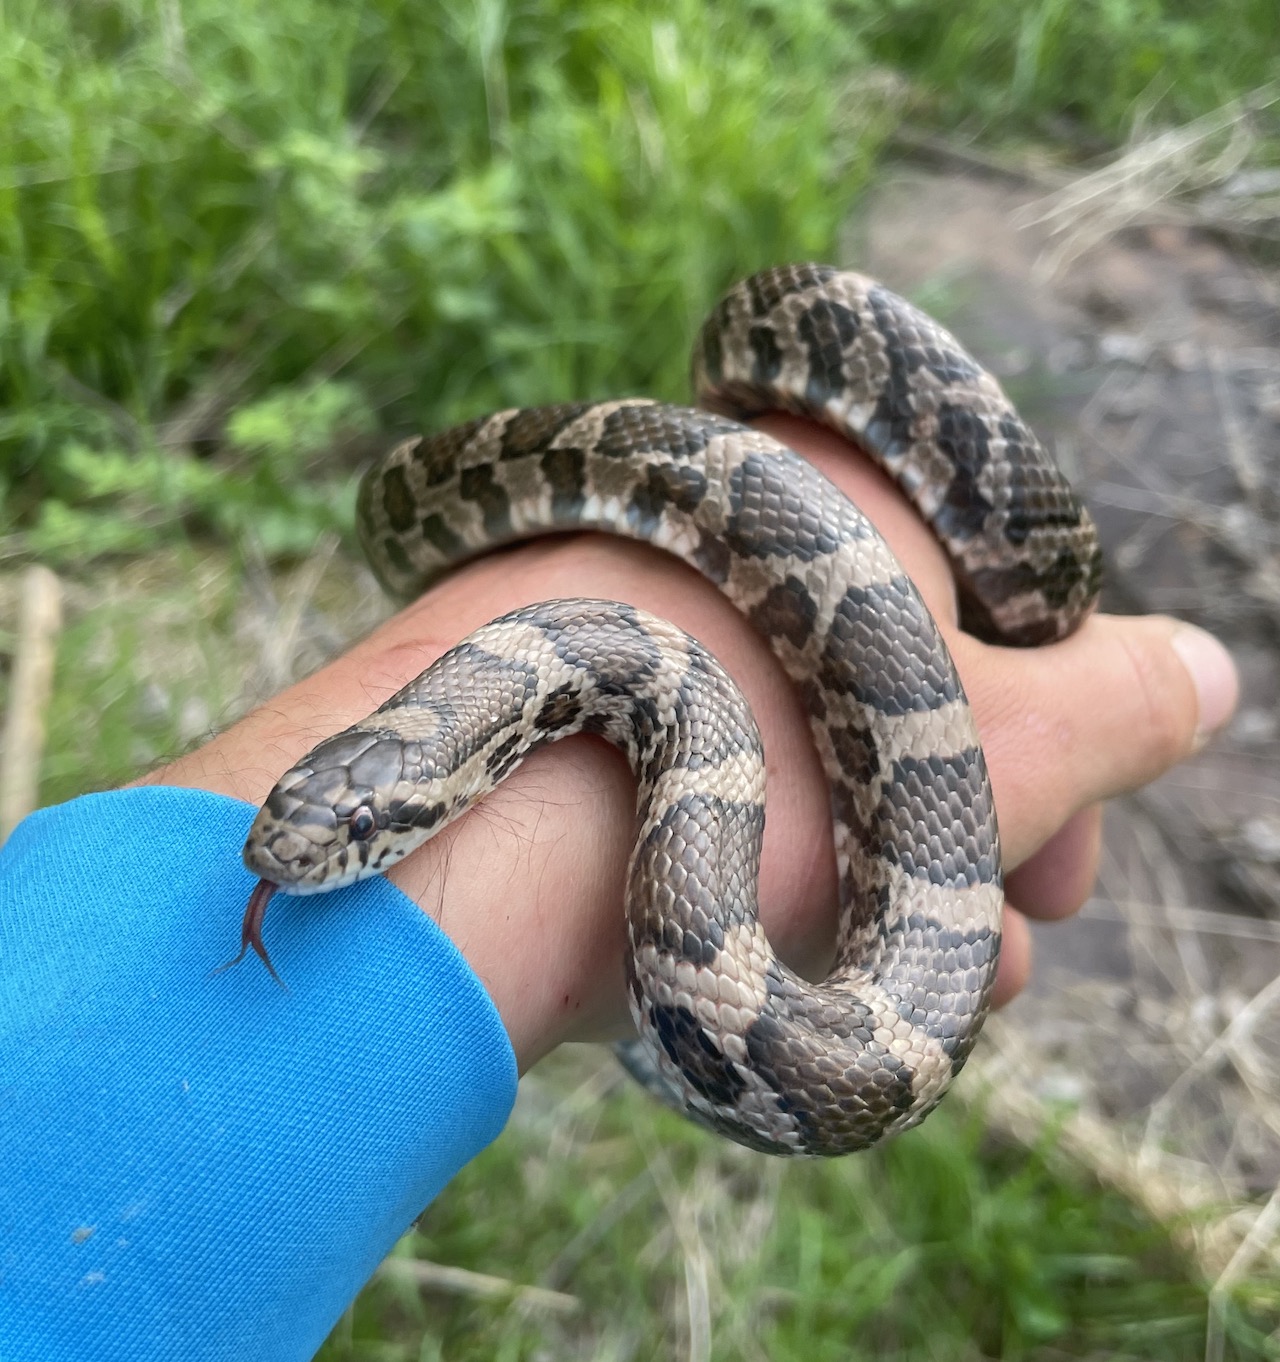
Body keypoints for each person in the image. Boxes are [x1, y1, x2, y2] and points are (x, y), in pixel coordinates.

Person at [0, 414, 1238, 1361]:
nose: (301, 852)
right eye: (325, 815)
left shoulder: (625, 698)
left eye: (362, 827)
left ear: (442, 777)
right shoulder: (558, 702)